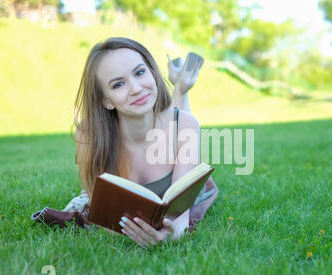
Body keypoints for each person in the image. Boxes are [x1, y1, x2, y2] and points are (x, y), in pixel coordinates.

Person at [64, 37, 218, 249]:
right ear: (106, 100)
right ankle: (181, 86)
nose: (136, 88)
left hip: (176, 133)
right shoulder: (89, 135)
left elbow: (179, 223)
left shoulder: (186, 126)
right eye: (118, 84)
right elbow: (106, 221)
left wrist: (168, 236)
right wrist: (137, 234)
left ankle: (181, 88)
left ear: (153, 73)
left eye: (139, 72)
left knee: (180, 121)